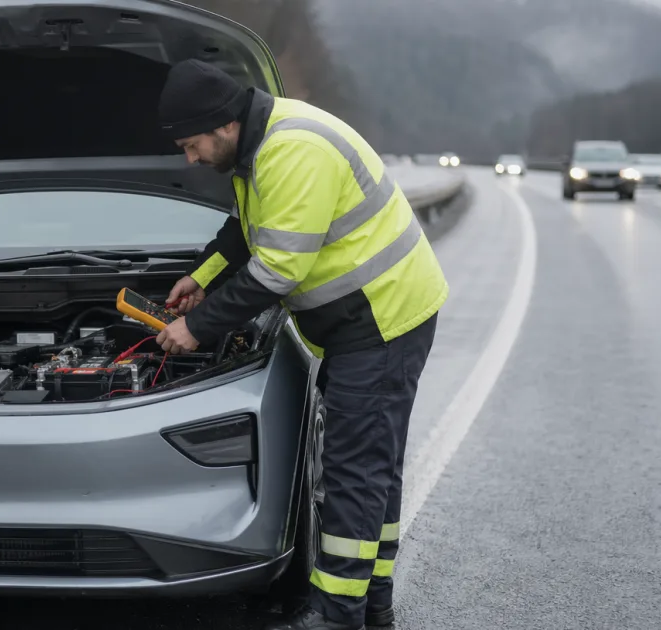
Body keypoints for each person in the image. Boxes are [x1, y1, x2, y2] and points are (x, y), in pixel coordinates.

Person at [152, 59, 448, 630]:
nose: (189, 159)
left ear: (224, 125)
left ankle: (336, 614)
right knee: (372, 466)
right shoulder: (254, 152)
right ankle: (373, 605)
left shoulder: (293, 151)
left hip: (383, 318)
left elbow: (277, 269)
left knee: (353, 470)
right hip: (365, 319)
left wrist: (199, 327)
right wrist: (203, 278)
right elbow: (247, 231)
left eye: (191, 145)